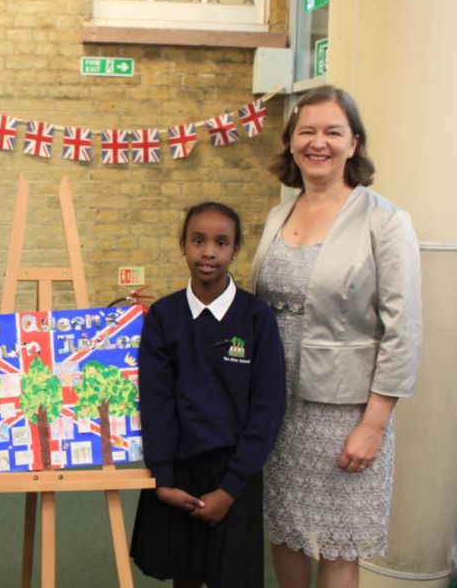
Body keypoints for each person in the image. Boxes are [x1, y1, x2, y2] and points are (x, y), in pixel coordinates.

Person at [251, 85, 422, 588]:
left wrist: (374, 425)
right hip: (276, 404)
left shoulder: (385, 220)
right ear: (291, 142)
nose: (318, 142)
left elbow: (403, 331)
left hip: (346, 412)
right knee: (284, 529)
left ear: (354, 143)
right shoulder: (278, 214)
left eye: (332, 131)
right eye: (306, 131)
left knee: (337, 543)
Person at [131, 202, 286, 588]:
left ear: (236, 250)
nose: (209, 252)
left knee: (232, 576)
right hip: (179, 472)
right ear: (182, 245)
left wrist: (230, 488)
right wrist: (163, 478)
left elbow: (268, 407)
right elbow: (156, 401)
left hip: (235, 474)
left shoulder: (257, 318)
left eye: (221, 242)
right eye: (198, 241)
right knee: (184, 575)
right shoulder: (163, 316)